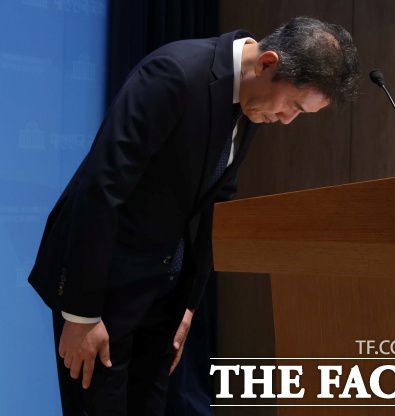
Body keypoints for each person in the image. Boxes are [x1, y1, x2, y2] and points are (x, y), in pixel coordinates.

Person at [27, 16, 359, 415]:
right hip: (103, 289)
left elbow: (214, 209)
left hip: (162, 298)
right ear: (266, 63)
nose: (288, 120)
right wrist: (81, 314)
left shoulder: (253, 99)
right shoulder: (174, 74)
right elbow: (102, 188)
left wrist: (188, 306)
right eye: (294, 106)